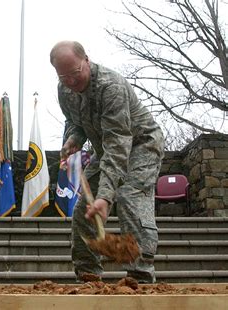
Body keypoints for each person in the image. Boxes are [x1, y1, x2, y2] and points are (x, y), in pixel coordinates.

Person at [49, 41, 165, 283]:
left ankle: (140, 275)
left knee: (129, 196)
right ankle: (88, 274)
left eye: (75, 73)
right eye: (63, 76)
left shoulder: (111, 87)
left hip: (141, 144)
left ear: (87, 60)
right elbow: (75, 121)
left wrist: (104, 196)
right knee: (83, 210)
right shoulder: (64, 90)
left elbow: (117, 143)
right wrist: (74, 138)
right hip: (106, 149)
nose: (70, 81)